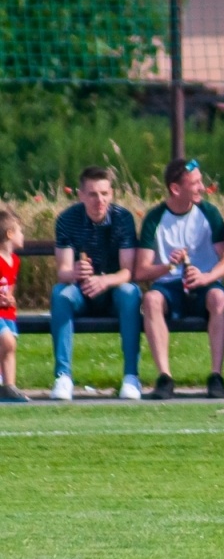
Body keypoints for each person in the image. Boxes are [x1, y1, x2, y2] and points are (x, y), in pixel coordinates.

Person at [134, 158, 224, 399]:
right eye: (195, 183)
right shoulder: (155, 218)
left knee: (218, 297)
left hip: (204, 285)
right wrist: (169, 265)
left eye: (201, 181)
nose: (202, 187)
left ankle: (216, 376)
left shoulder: (208, 213)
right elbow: (141, 271)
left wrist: (206, 276)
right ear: (176, 189)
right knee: (151, 301)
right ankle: (165, 377)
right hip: (169, 287)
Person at [51, 166, 143, 401]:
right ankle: (63, 376)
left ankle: (131, 376)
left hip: (113, 291)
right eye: (92, 194)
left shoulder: (123, 218)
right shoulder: (67, 219)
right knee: (61, 294)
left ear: (111, 193)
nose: (99, 200)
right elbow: (62, 271)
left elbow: (127, 271)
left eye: (104, 193)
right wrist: (75, 272)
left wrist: (104, 280)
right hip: (81, 292)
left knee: (130, 292)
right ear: (81, 195)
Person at [0, 209, 26, 402]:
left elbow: (10, 286)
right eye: (20, 231)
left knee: (9, 348)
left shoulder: (15, 260)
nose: (22, 235)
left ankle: (9, 386)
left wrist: (10, 298)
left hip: (8, 313)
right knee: (7, 342)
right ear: (9, 234)